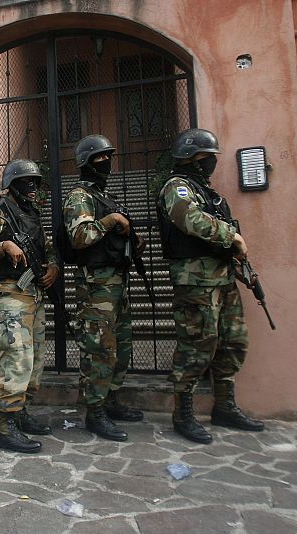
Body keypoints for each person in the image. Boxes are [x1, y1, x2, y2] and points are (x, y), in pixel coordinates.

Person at [157, 128, 264, 444]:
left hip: (223, 278)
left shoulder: (207, 192)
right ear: (191, 158)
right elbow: (190, 219)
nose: (211, 163)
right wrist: (232, 237)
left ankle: (225, 406)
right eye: (206, 158)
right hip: (195, 281)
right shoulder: (176, 188)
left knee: (232, 343)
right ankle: (183, 413)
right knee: (197, 346)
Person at [0, 159, 59, 453]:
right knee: (17, 357)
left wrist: (54, 267)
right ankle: (6, 426)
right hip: (11, 292)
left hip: (34, 293)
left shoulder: (32, 215)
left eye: (36, 182)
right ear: (12, 185)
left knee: (35, 361)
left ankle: (21, 412)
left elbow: (47, 249)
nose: (33, 188)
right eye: (27, 183)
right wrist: (4, 246)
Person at [62, 134, 145, 442]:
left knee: (120, 347)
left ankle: (110, 400)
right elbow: (79, 236)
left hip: (116, 284)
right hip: (96, 288)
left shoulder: (104, 196)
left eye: (108, 156)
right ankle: (94, 411)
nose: (106, 162)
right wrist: (110, 221)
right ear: (86, 162)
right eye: (99, 158)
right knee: (100, 350)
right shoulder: (80, 196)